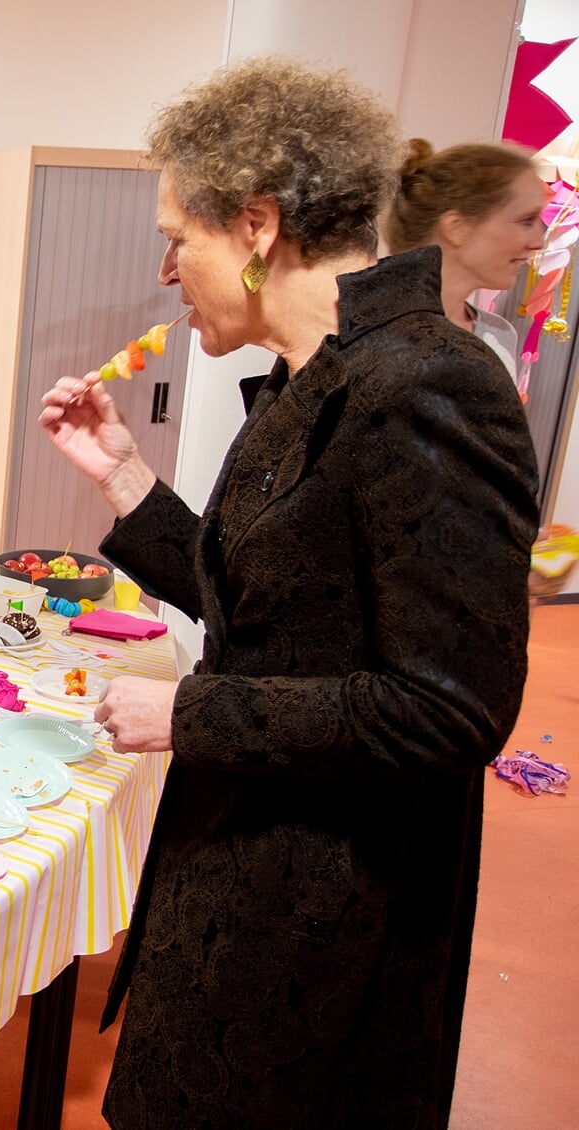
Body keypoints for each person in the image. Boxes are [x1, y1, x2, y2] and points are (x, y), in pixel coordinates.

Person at [37, 59, 536, 1128]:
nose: (168, 269)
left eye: (181, 236)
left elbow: (456, 706)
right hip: (239, 863)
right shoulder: (322, 379)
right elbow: (265, 608)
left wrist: (189, 710)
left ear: (258, 224)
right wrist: (123, 477)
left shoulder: (428, 382)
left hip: (329, 912)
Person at [386, 139, 545, 380]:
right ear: (456, 226)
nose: (538, 242)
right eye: (526, 220)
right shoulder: (357, 330)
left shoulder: (498, 336)